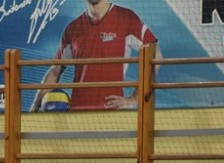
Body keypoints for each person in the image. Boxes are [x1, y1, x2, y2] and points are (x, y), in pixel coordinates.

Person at [30, 0, 159, 112]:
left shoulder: (126, 18)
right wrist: (34, 108)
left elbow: (156, 57)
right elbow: (55, 71)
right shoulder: (72, 28)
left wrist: (134, 98)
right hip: (78, 114)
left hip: (113, 114)